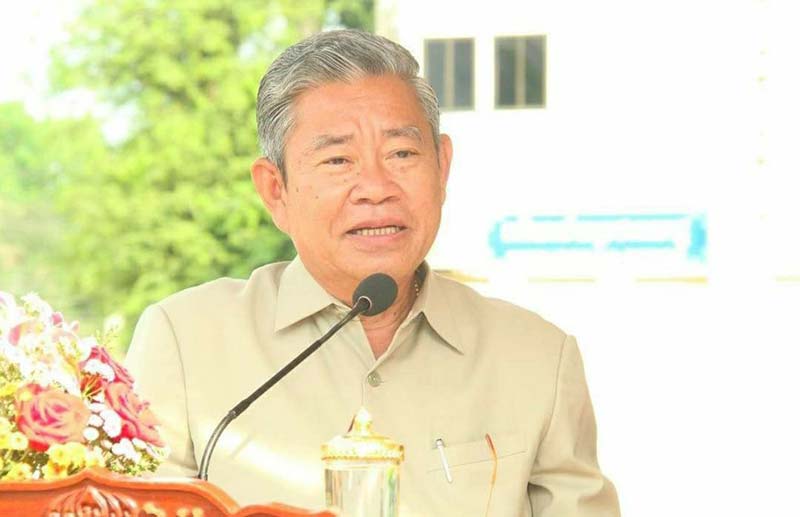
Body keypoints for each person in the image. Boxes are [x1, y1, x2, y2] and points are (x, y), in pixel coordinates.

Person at [125, 29, 620, 516]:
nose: (376, 188)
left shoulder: (539, 358)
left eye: (401, 154)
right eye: (338, 159)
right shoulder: (186, 342)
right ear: (276, 191)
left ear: (442, 167)